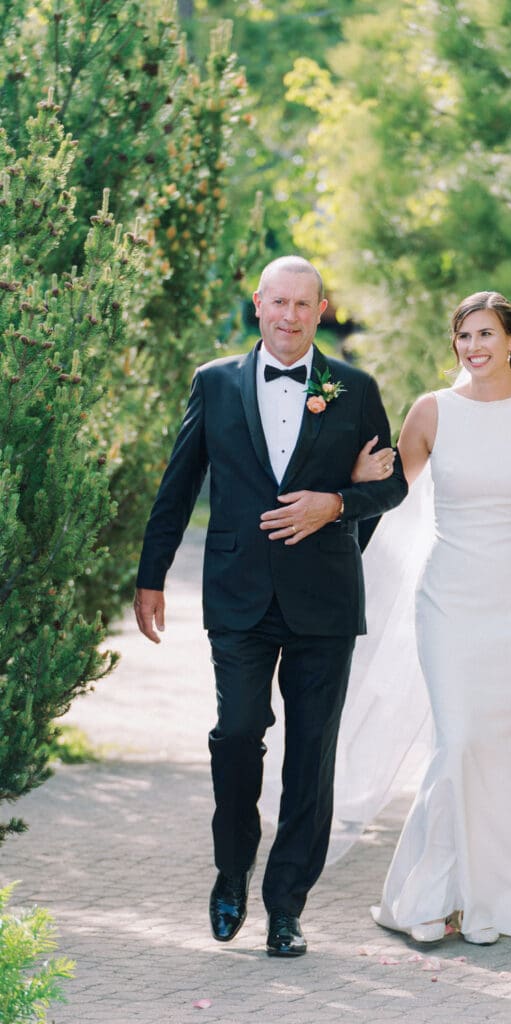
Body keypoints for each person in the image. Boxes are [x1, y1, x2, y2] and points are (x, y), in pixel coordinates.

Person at [133, 255, 407, 958]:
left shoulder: (355, 387)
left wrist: (335, 507)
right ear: (258, 303)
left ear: (321, 309)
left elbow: (393, 485)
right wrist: (151, 574)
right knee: (235, 734)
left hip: (325, 599)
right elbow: (179, 482)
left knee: (311, 757)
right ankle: (232, 869)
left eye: (303, 304)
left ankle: (286, 907)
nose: (289, 316)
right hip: (237, 594)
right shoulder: (215, 382)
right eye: (278, 302)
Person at [353, 290, 511, 945]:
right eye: (463, 337)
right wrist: (349, 480)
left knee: (505, 745)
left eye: (485, 334)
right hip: (449, 597)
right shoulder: (432, 411)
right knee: (458, 739)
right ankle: (432, 896)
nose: (473, 347)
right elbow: (390, 494)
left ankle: (501, 896)